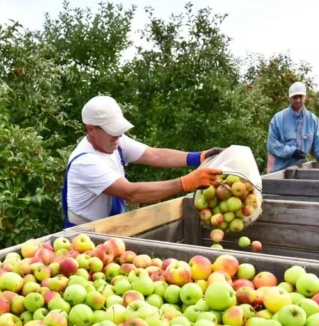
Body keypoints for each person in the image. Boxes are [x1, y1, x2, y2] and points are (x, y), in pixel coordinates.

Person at [62, 95, 224, 227]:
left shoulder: (115, 141)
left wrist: (199, 157)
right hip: (85, 234)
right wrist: (186, 183)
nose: (118, 136)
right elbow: (132, 193)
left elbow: (155, 155)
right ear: (91, 129)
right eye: (112, 131)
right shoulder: (85, 162)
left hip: (109, 227)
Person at [266, 82, 319, 173]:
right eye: (295, 97)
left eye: (300, 97)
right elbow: (272, 145)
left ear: (305, 97)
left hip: (301, 172)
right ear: (289, 98)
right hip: (280, 173)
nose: (298, 100)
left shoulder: (312, 120)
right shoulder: (278, 119)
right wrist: (292, 152)